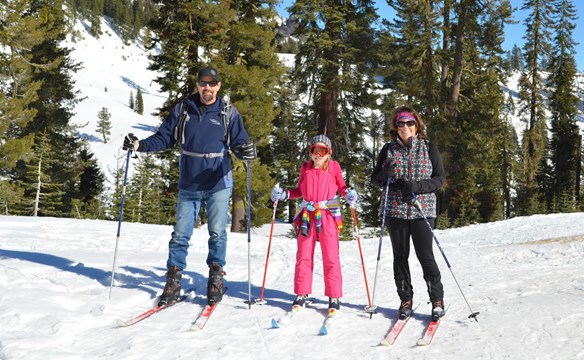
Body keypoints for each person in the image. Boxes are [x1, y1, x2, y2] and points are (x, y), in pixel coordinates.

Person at [122, 66, 257, 306]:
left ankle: (215, 277)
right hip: (190, 181)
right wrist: (139, 146)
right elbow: (164, 137)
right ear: (197, 85)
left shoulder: (228, 112)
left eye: (212, 83)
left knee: (217, 233)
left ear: (218, 86)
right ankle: (173, 280)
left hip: (218, 181)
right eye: (203, 83)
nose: (207, 87)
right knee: (180, 234)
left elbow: (239, 142)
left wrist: (246, 151)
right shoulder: (183, 110)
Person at [370, 105, 447, 320]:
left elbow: (439, 179)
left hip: (422, 210)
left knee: (425, 255)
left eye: (409, 122)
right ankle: (405, 299)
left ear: (416, 125)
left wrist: (417, 186)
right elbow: (374, 181)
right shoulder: (388, 149)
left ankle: (437, 300)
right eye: (401, 122)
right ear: (396, 126)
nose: (405, 126)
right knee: (400, 257)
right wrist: (385, 173)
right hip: (395, 211)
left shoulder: (428, 147)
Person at [270, 135, 359, 311]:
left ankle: (334, 296)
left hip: (327, 215)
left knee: (331, 256)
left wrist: (348, 194)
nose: (318, 154)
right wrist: (284, 194)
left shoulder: (334, 167)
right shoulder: (306, 168)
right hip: (307, 215)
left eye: (322, 151)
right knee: (303, 255)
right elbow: (299, 191)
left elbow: (341, 187)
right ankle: (301, 293)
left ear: (329, 153)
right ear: (310, 152)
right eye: (314, 150)